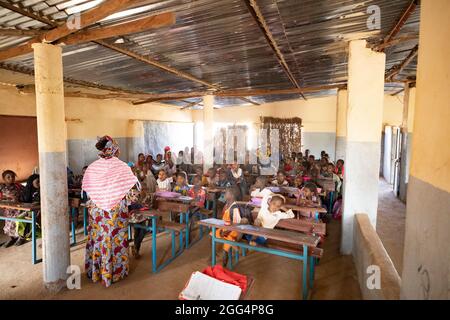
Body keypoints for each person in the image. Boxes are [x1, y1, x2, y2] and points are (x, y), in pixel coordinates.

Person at [82, 135, 138, 287]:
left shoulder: (92, 168)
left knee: (98, 239)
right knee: (114, 242)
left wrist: (100, 200)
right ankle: (114, 272)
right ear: (115, 149)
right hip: (115, 213)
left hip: (97, 212)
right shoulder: (122, 167)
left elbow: (88, 191)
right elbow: (132, 195)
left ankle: (96, 271)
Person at [215, 186, 244, 267]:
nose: (224, 194)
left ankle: (224, 263)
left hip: (232, 231)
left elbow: (237, 224)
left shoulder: (234, 208)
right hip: (225, 228)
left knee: (225, 247)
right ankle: (216, 253)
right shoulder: (227, 204)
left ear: (231, 195)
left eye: (226, 193)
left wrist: (226, 231)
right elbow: (224, 219)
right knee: (212, 235)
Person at [0, 170, 24, 247]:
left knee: (17, 223)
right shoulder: (1, 187)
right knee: (8, 225)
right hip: (7, 210)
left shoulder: (18, 186)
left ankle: (20, 238)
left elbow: (25, 194)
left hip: (17, 209)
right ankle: (11, 238)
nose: (11, 178)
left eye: (13, 177)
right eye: (8, 177)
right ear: (4, 179)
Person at [17, 174, 41, 244]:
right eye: (37, 181)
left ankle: (27, 235)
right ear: (31, 182)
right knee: (20, 218)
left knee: (31, 219)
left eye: (40, 181)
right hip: (28, 210)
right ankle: (22, 236)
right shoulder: (27, 190)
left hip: (38, 210)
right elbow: (23, 200)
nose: (39, 183)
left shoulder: (42, 189)